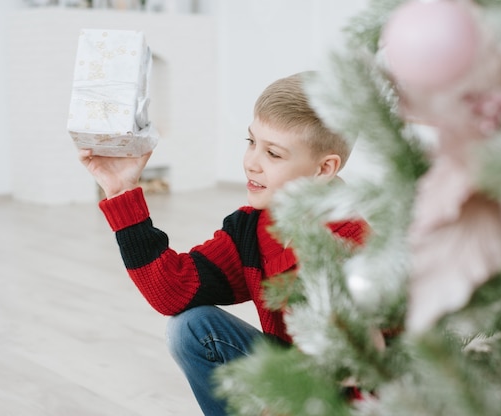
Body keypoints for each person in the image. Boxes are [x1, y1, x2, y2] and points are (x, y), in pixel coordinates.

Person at [79, 72, 369, 415]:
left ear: (324, 169)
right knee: (191, 328)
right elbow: (172, 291)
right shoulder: (251, 226)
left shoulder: (352, 245)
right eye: (251, 142)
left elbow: (345, 369)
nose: (251, 162)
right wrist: (121, 190)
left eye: (273, 154)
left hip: (354, 400)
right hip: (295, 377)